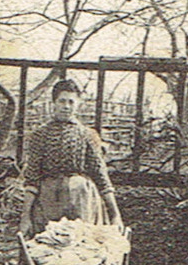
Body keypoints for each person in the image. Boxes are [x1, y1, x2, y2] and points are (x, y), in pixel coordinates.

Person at [19, 78, 123, 236]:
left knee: (81, 245)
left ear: (78, 104)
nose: (66, 107)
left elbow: (101, 176)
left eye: (71, 102)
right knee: (49, 244)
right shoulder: (39, 135)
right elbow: (32, 177)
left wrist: (116, 215)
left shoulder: (88, 135)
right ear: (53, 103)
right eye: (61, 101)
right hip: (49, 201)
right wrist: (25, 216)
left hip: (81, 199)